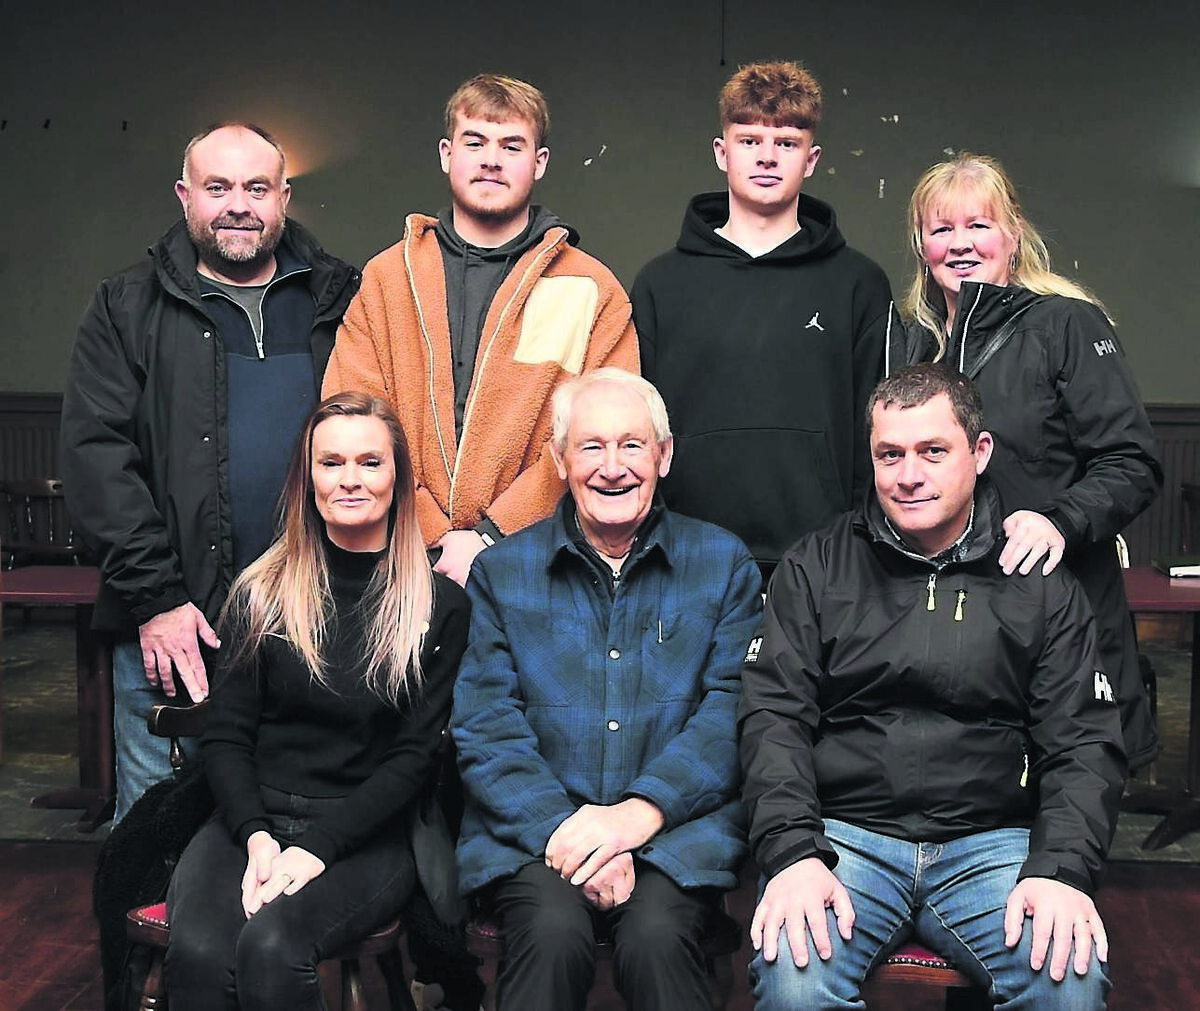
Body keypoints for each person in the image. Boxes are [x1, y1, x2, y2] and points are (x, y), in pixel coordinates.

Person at [738, 363, 1126, 1009]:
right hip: (845, 838)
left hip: (993, 841)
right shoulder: (817, 565)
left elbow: (1083, 737)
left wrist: (1061, 869)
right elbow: (770, 716)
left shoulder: (1038, 576)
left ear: (979, 452)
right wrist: (792, 853)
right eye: (890, 454)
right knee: (795, 978)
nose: (908, 474)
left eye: (932, 451)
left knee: (1067, 979)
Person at [61, 123, 359, 822]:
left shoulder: (341, 300)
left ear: (284, 198)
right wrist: (156, 599)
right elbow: (96, 458)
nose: (237, 205)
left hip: (316, 619)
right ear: (184, 196)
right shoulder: (124, 307)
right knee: (157, 838)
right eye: (217, 187)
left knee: (297, 835)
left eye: (256, 187)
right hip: (174, 622)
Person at [452, 368, 762, 1011]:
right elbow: (485, 723)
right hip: (536, 838)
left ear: (664, 455)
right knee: (550, 933)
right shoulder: (502, 572)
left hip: (675, 836)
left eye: (632, 445)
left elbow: (732, 711)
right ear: (559, 459)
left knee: (655, 938)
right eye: (591, 446)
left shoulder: (723, 563)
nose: (612, 466)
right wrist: (566, 833)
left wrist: (633, 819)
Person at [164, 392, 471, 1011]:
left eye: (370, 462)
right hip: (249, 821)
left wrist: (316, 848)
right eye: (331, 463)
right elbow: (225, 735)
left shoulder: (439, 606)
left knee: (273, 946)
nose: (350, 479)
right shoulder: (263, 590)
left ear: (398, 479)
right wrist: (256, 837)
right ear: (308, 480)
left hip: (367, 832)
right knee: (198, 952)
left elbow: (414, 760)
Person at [322, 72, 639, 589]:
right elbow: (349, 410)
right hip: (402, 561)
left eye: (511, 145)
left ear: (539, 163)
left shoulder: (591, 287)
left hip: (542, 567)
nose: (491, 159)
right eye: (476, 142)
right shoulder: (387, 278)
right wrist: (430, 531)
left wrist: (493, 534)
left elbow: (608, 433)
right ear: (447, 153)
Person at [901, 152, 1163, 769]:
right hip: (950, 627)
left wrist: (1059, 521)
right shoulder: (910, 341)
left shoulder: (1066, 323)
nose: (960, 244)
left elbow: (1132, 461)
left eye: (979, 226)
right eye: (942, 230)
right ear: (922, 246)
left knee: (1064, 816)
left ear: (1013, 235)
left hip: (1058, 612)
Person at [631, 60, 900, 584]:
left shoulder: (859, 284)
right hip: (683, 558)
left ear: (812, 159)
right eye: (750, 140)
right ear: (721, 151)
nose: (767, 157)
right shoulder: (660, 284)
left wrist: (862, 547)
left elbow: (881, 425)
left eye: (787, 142)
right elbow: (637, 428)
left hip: (825, 560)